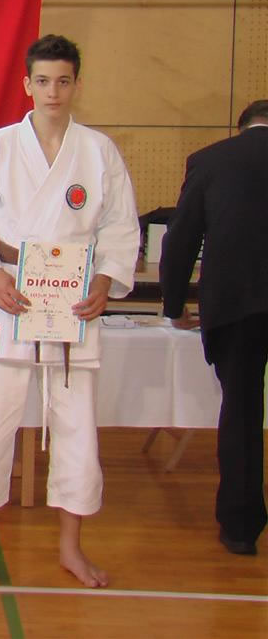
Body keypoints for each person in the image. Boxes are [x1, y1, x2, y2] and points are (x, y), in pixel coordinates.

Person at [0, 35, 140, 588]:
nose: (52, 91)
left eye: (63, 81)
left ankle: (71, 548)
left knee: (77, 430)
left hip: (72, 302)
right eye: (43, 81)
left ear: (76, 84)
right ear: (26, 84)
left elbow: (120, 227)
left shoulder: (98, 151)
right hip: (11, 296)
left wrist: (104, 280)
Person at [160, 99, 268, 556]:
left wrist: (173, 305)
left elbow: (180, 239)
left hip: (236, 306)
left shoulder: (210, 161)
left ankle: (241, 528)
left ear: (241, 127)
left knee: (242, 412)